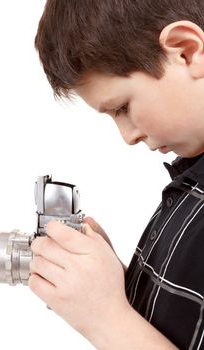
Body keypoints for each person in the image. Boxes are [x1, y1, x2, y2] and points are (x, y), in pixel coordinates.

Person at [28, 1, 204, 349]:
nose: (128, 136)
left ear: (187, 51)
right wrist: (113, 286)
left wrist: (105, 317)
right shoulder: (191, 181)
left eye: (122, 107)